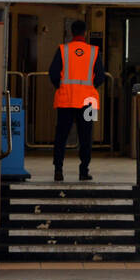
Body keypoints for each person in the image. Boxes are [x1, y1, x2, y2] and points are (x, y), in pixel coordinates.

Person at [48, 20, 105, 182]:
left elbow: (53, 73)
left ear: (71, 32)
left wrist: (61, 87)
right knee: (86, 136)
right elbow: (100, 76)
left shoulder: (62, 50)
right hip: (88, 102)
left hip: (66, 101)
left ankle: (58, 170)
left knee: (61, 136)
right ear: (85, 33)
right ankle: (84, 171)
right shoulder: (94, 51)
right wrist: (89, 88)